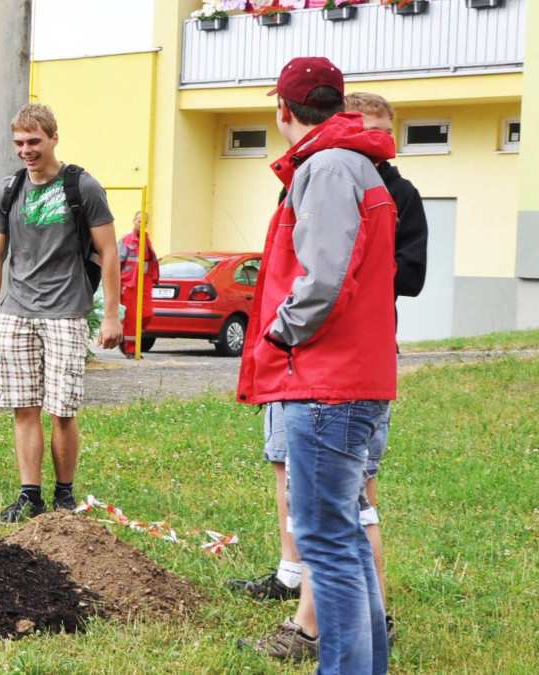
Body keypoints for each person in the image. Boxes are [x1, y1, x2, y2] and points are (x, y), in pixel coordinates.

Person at [233, 90, 426, 662]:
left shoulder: (328, 167)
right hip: (347, 376)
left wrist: (277, 332)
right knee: (344, 538)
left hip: (327, 381)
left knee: (329, 542)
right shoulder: (357, 168)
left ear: (283, 111)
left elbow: (324, 280)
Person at [0, 103, 121, 524]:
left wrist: (111, 315)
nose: (26, 150)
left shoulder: (83, 187)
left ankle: (63, 495)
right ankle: (29, 495)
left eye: (34, 141)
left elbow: (109, 251)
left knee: (62, 408)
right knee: (24, 407)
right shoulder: (7, 190)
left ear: (54, 138)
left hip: (66, 311)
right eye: (20, 143)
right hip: (16, 313)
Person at [117, 213, 159, 357]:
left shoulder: (146, 239)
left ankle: (125, 338)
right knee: (132, 318)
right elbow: (116, 262)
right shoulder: (127, 239)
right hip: (130, 283)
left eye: (145, 222)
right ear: (134, 221)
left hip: (144, 281)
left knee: (147, 314)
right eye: (139, 221)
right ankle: (130, 349)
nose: (142, 224)